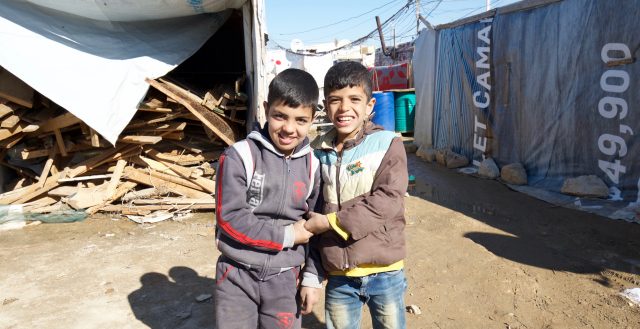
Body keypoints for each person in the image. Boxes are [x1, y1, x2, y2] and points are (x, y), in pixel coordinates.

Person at [302, 61, 409, 329]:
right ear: (326, 106)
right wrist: (312, 275)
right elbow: (312, 211)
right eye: (335, 100)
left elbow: (387, 200)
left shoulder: (388, 144)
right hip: (339, 274)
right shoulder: (317, 151)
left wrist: (330, 222)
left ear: (370, 106)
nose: (344, 108)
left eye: (354, 99)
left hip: (384, 270)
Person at [214, 68, 323, 329]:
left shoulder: (313, 166)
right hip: (237, 274)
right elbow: (229, 219)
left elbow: (317, 227)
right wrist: (286, 236)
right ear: (265, 109)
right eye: (280, 116)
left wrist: (311, 277)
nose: (288, 128)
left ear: (313, 119)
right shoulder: (239, 156)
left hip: (286, 280)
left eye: (300, 120)